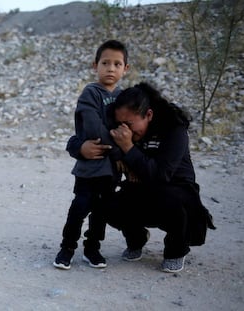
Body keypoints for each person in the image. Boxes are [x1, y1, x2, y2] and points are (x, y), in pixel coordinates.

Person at [69, 82, 216, 273]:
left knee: (171, 199)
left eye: (129, 124)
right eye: (120, 124)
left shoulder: (174, 129)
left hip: (177, 193)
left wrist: (129, 148)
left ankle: (176, 250)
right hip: (142, 190)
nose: (125, 130)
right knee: (107, 203)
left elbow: (161, 175)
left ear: (148, 115)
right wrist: (80, 148)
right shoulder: (124, 127)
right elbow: (82, 136)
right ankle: (136, 238)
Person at [53, 40, 129, 270]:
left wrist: (123, 155)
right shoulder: (91, 93)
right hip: (90, 166)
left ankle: (92, 249)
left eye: (117, 64)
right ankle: (67, 248)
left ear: (126, 69)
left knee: (101, 212)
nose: (111, 68)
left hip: (111, 171)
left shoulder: (125, 96)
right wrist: (118, 151)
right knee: (80, 207)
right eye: (105, 63)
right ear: (95, 65)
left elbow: (128, 128)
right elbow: (95, 129)